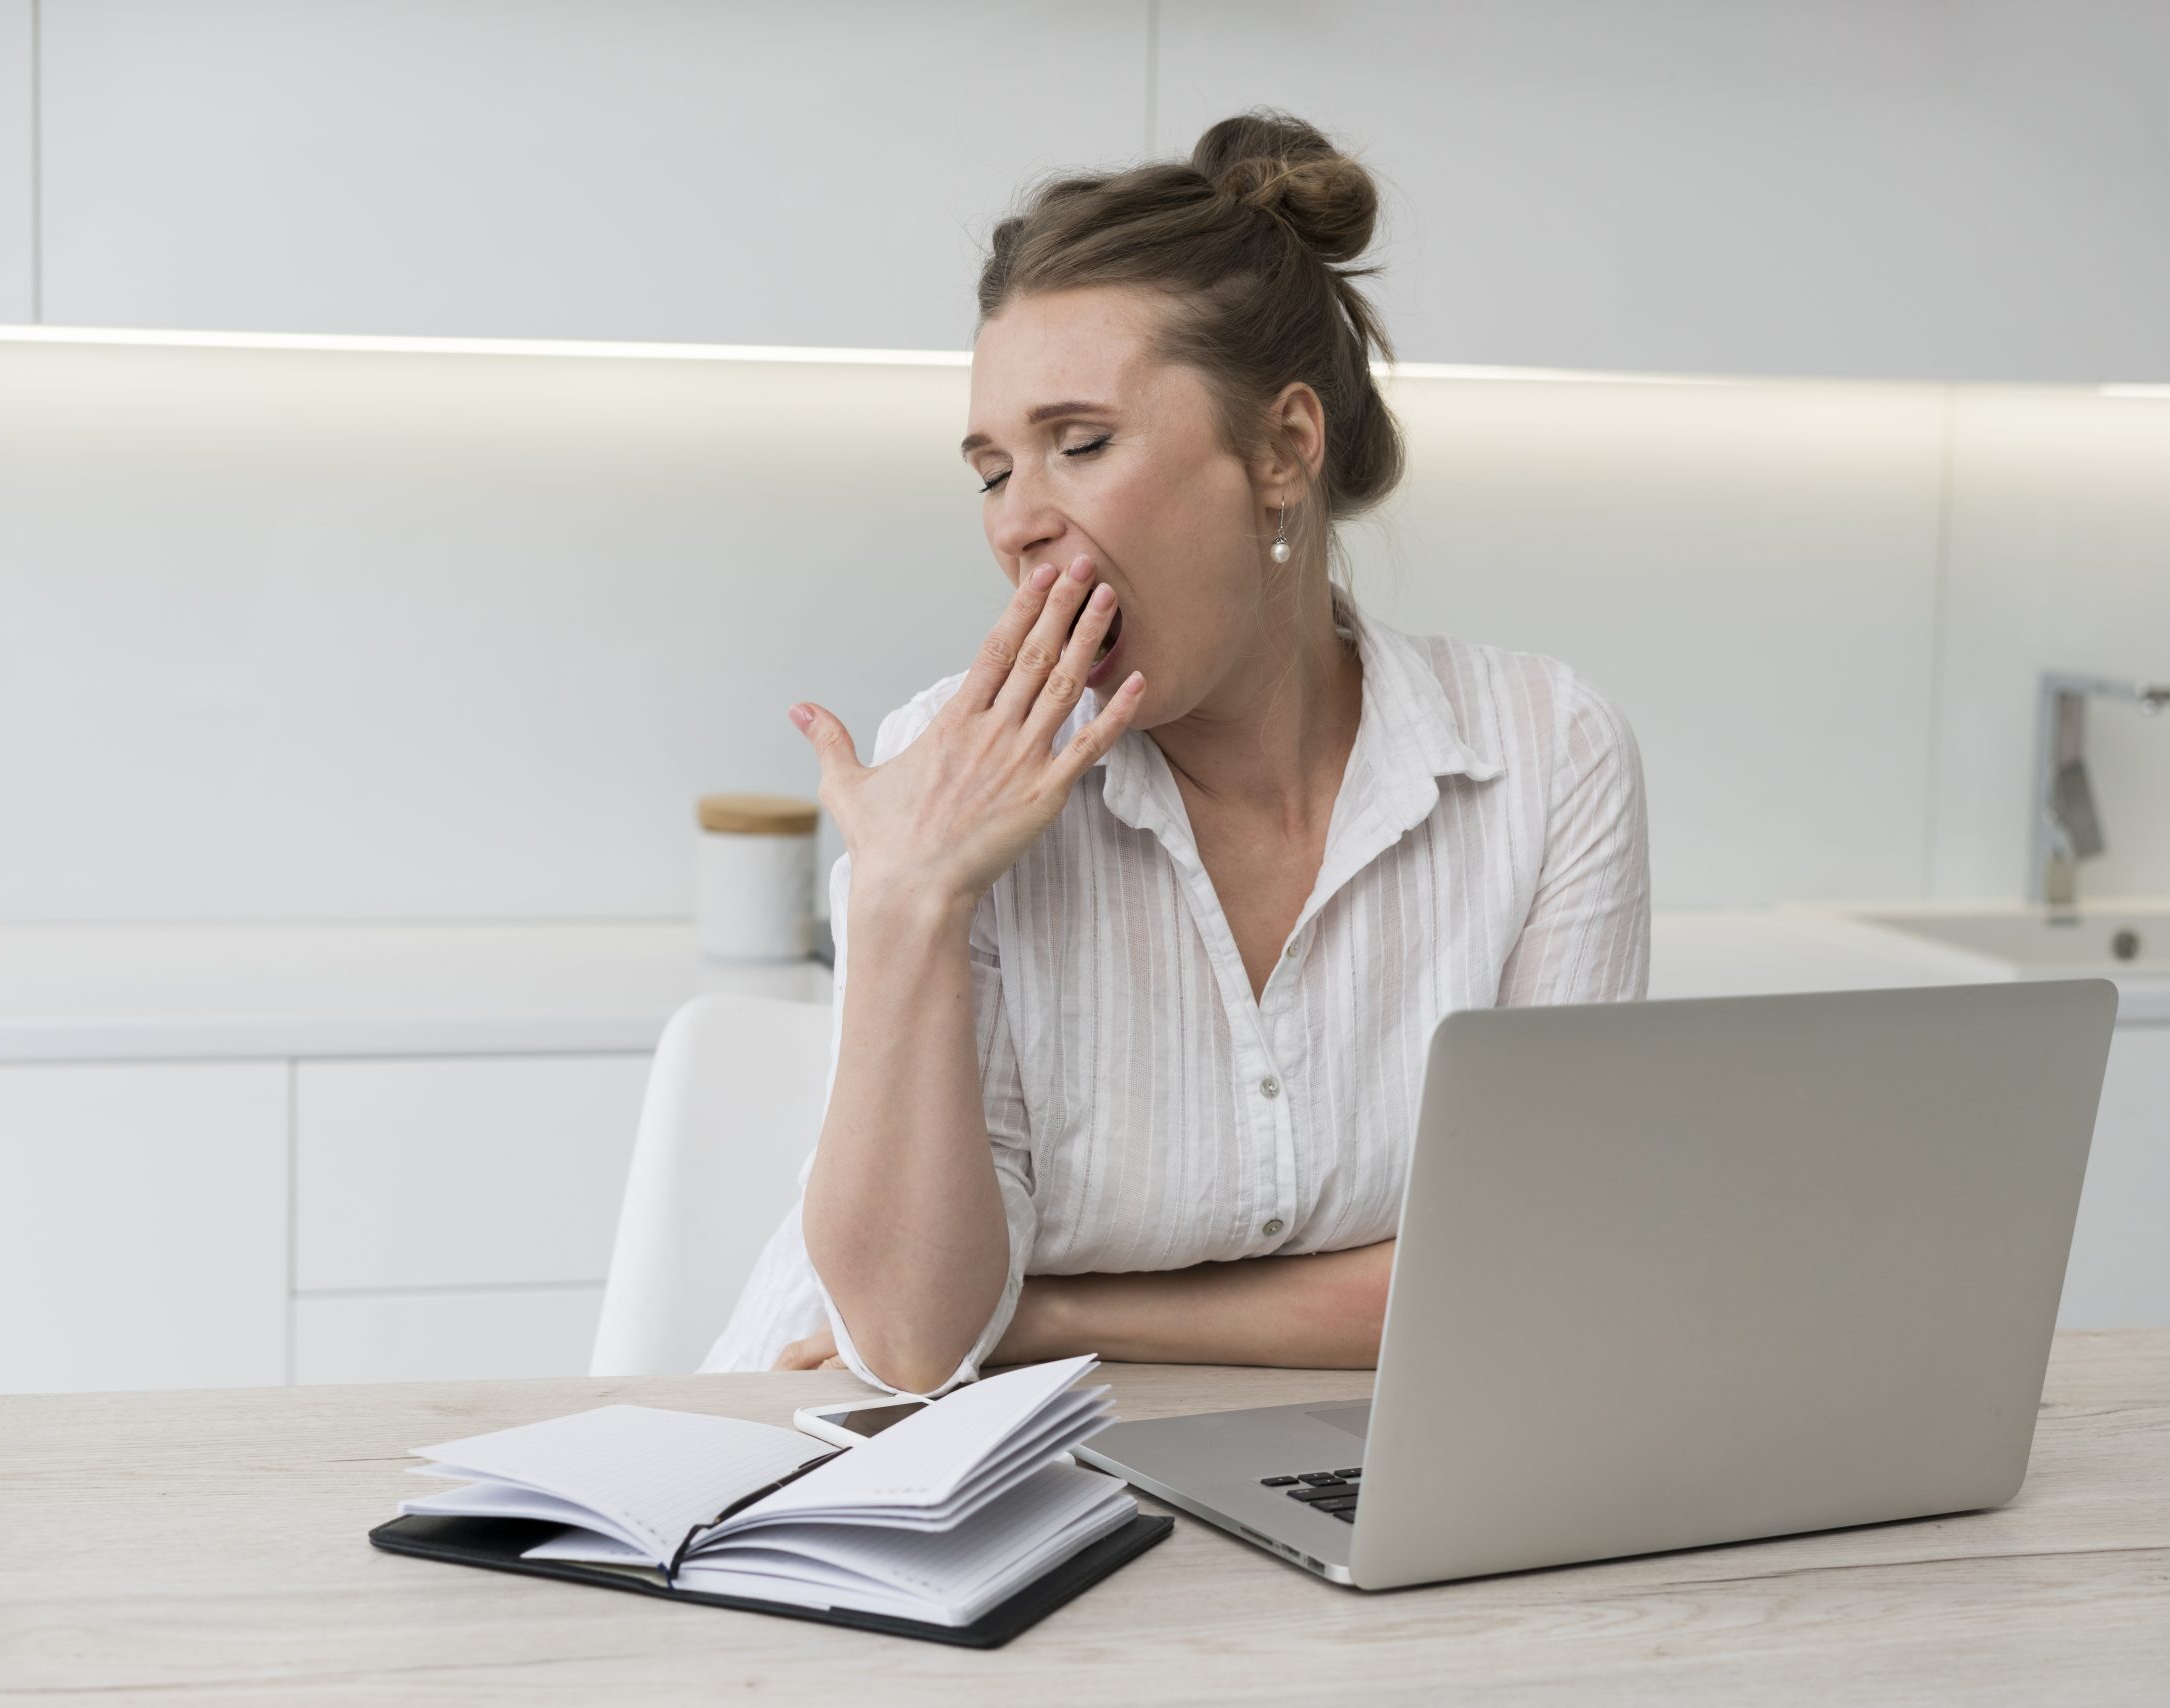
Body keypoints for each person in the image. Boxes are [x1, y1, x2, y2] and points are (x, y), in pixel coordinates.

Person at [703, 109, 1650, 1397]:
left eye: (1080, 445)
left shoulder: (1545, 757)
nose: (1018, 524)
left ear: (1283, 450)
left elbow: (1535, 1269)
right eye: (991, 470)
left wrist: (1051, 1316)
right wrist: (904, 900)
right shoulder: (942, 773)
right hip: (867, 1459)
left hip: (1311, 1459)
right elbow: (918, 1344)